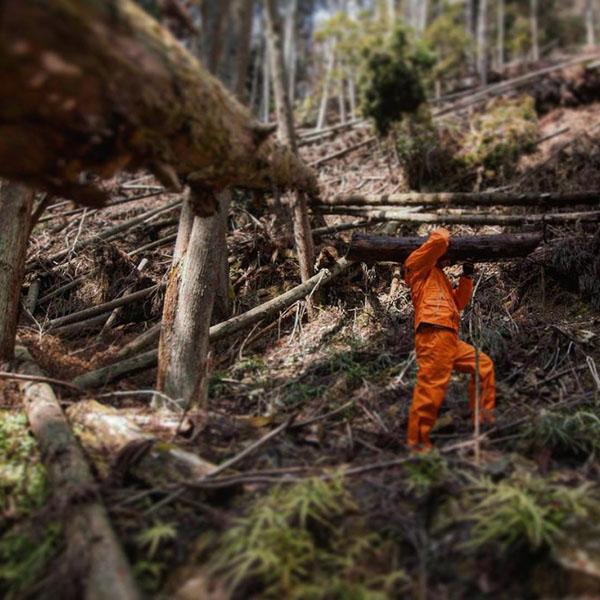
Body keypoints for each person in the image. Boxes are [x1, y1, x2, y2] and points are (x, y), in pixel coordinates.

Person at [403, 228, 495, 450]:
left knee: (483, 366)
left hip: (449, 338)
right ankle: (416, 444)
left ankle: (482, 421)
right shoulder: (416, 266)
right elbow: (441, 239)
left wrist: (467, 275)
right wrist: (445, 236)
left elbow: (458, 303)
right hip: (434, 335)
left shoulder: (439, 276)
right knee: (431, 386)